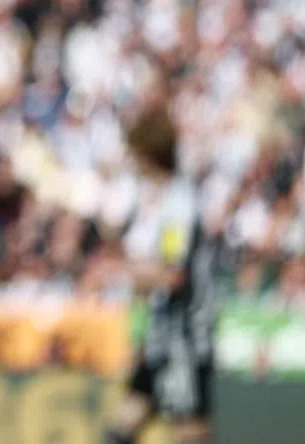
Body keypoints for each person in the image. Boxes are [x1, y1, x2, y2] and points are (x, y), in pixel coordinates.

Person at [107, 105, 215, 444]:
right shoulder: (156, 200)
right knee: (125, 422)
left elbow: (172, 274)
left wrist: (126, 272)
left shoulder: (179, 204)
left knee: (190, 430)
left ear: (146, 153)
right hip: (160, 333)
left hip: (183, 335)